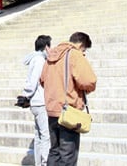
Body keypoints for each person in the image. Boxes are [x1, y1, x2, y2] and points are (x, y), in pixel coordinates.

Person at [40, 32, 96, 166]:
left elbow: (42, 80)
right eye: (84, 50)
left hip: (52, 110)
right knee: (68, 156)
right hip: (68, 112)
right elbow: (89, 80)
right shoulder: (74, 54)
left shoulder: (52, 54)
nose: (84, 53)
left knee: (54, 152)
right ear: (81, 44)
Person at [21, 35, 51, 166]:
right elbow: (33, 81)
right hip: (40, 101)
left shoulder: (34, 59)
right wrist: (26, 94)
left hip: (35, 102)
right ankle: (45, 162)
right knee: (45, 136)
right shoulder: (39, 60)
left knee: (39, 135)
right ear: (46, 47)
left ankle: (39, 162)